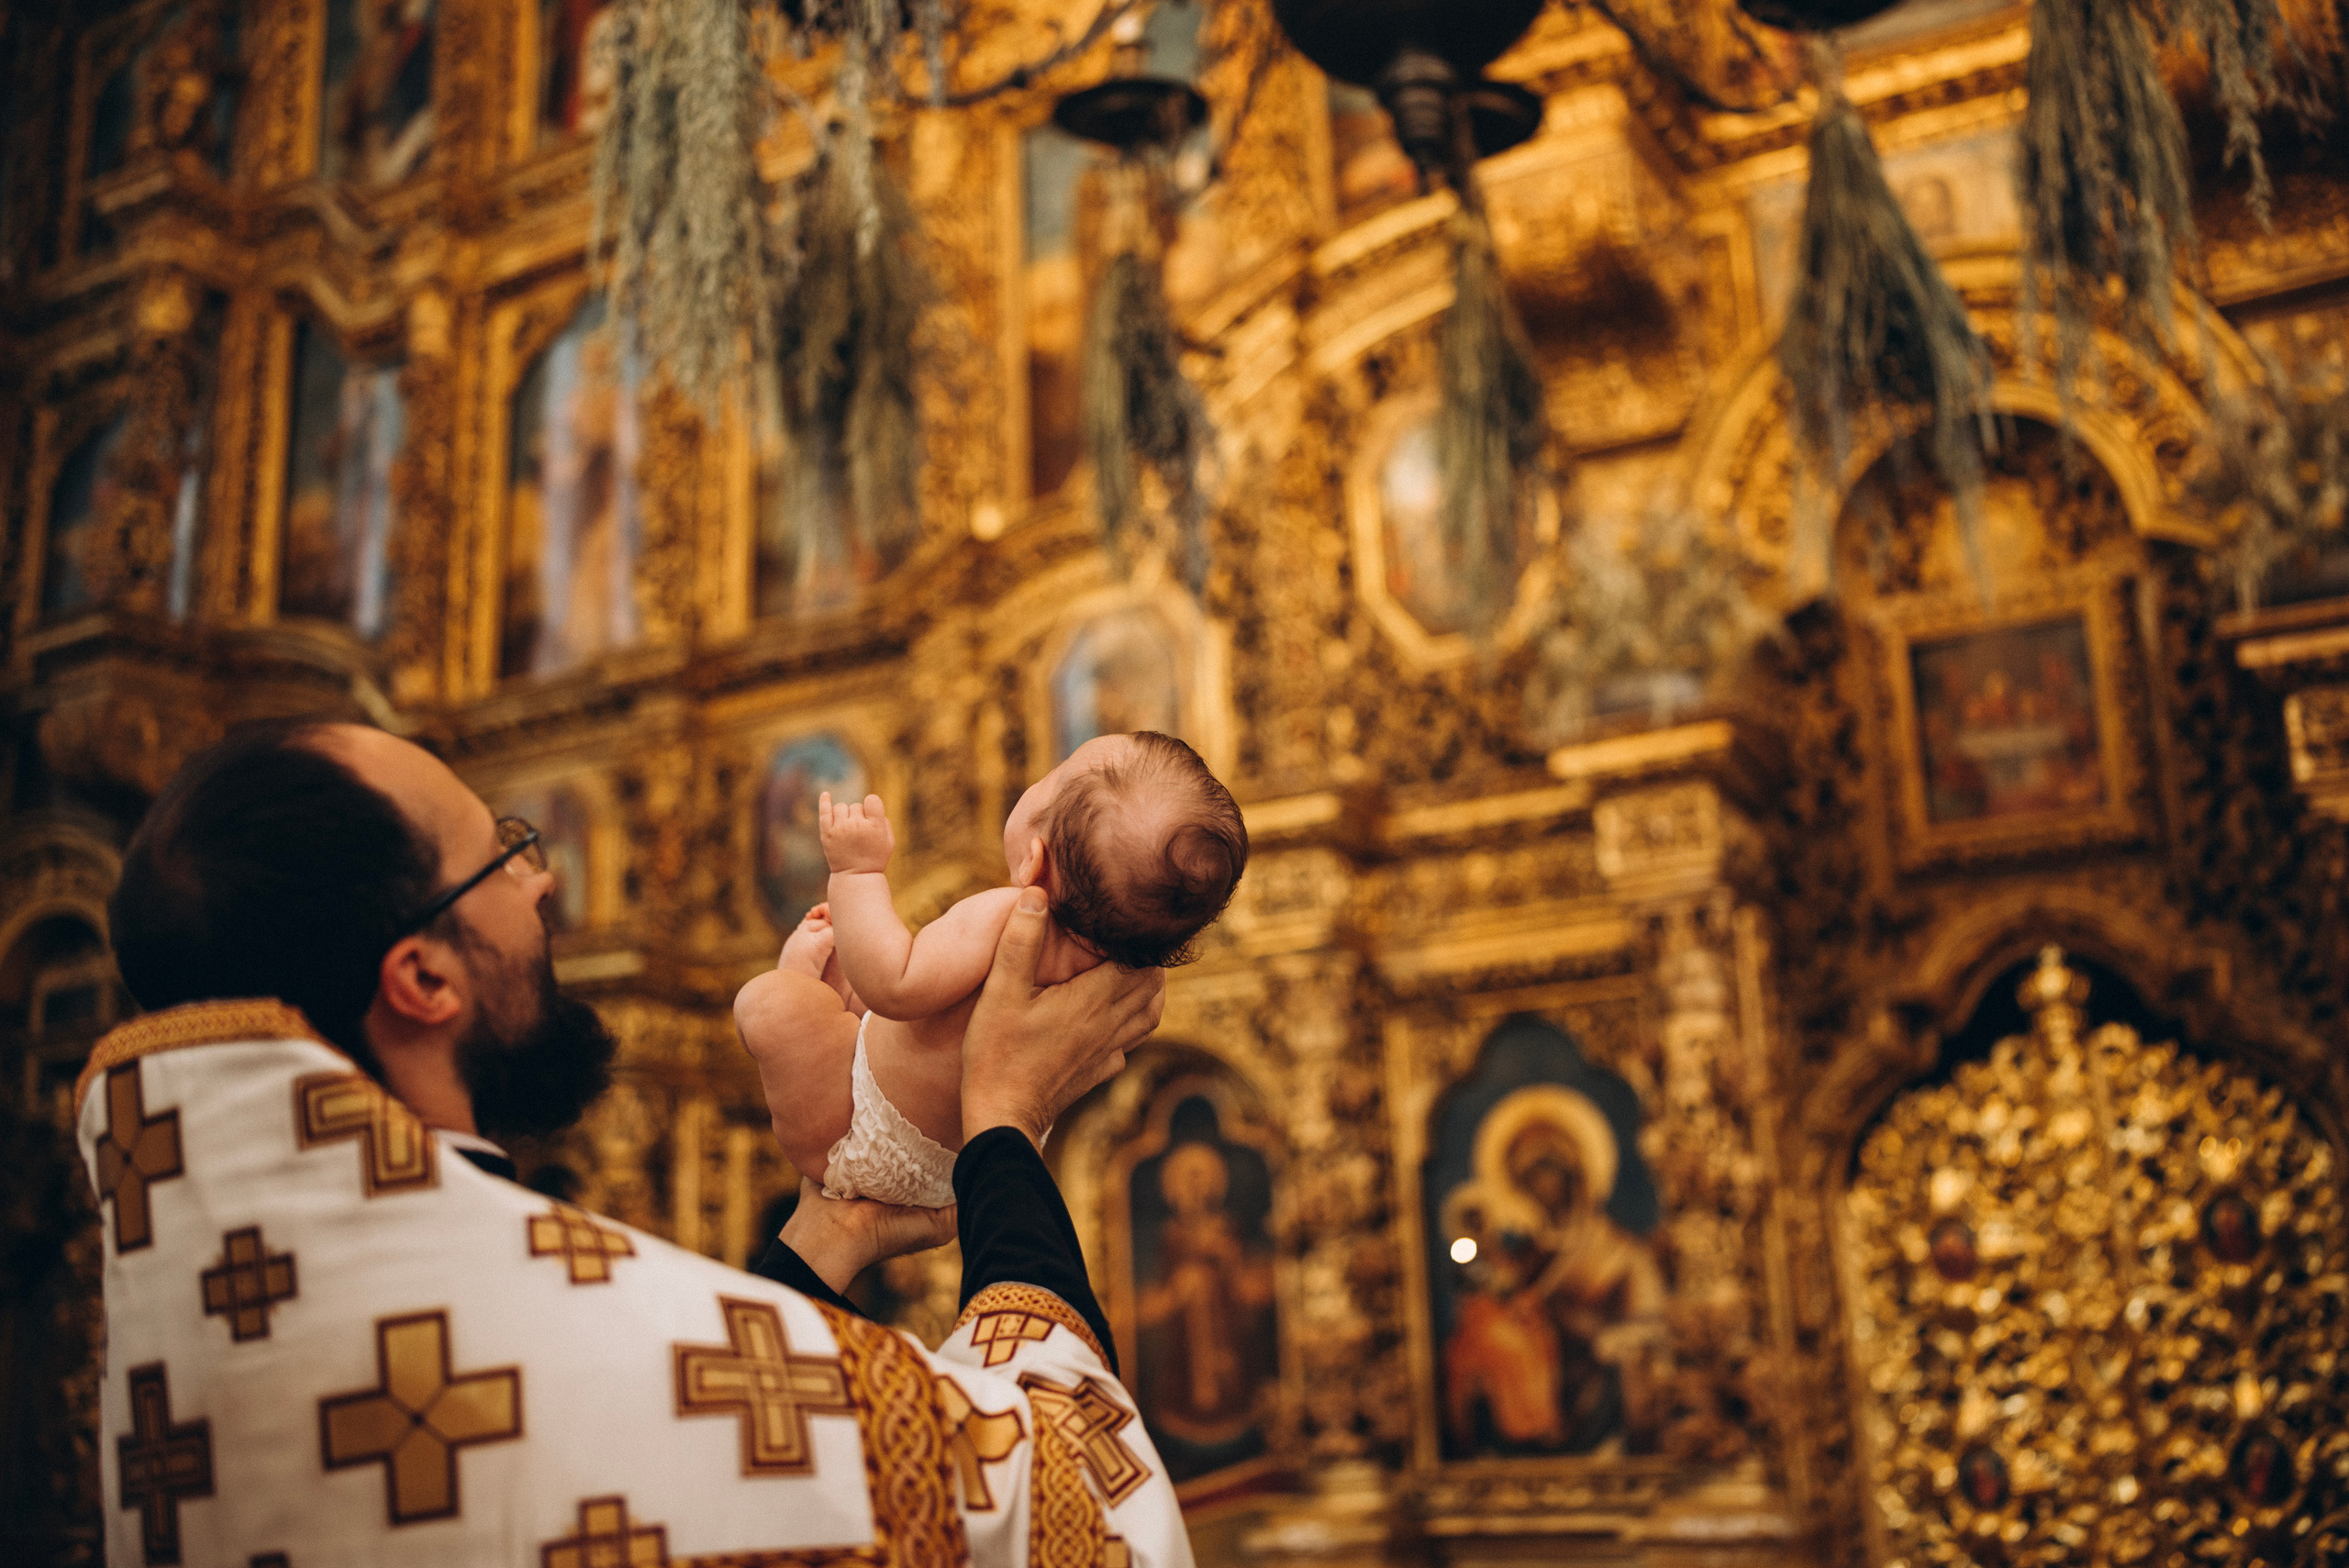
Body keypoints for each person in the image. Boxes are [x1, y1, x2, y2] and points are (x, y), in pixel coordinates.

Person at [82, 719, 1186, 1566]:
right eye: (503, 855)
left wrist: (835, 1231)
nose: (545, 878)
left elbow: (699, 1445)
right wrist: (1004, 1116)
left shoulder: (199, 1338)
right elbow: (1075, 1509)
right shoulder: (529, 1328)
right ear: (421, 977)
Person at [736, 731, 1245, 1208]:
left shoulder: (1007, 916)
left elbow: (894, 983)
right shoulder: (1120, 984)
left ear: (1035, 861)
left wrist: (856, 874)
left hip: (857, 1128)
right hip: (963, 1169)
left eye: (1051, 775)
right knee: (860, 996)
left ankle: (799, 983)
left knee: (769, 1004)